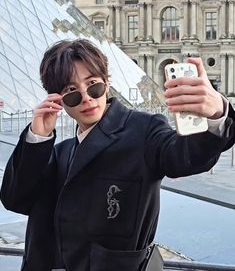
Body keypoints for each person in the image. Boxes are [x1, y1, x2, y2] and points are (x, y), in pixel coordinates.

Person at [1, 39, 235, 271]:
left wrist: (217, 113)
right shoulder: (58, 152)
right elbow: (16, 199)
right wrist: (36, 138)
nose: (87, 98)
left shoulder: (144, 130)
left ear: (107, 81)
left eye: (93, 85)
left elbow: (186, 157)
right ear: (57, 100)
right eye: (71, 92)